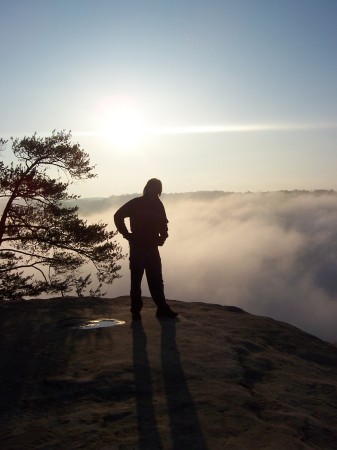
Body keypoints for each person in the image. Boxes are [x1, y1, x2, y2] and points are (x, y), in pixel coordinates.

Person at [114, 178, 178, 320]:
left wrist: (163, 236)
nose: (155, 192)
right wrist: (127, 235)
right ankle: (136, 310)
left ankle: (161, 308)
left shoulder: (158, 205)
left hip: (151, 247)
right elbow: (118, 216)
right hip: (138, 247)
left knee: (156, 279)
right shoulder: (136, 203)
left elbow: (163, 223)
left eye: (157, 189)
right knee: (137, 280)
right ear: (148, 188)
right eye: (153, 189)